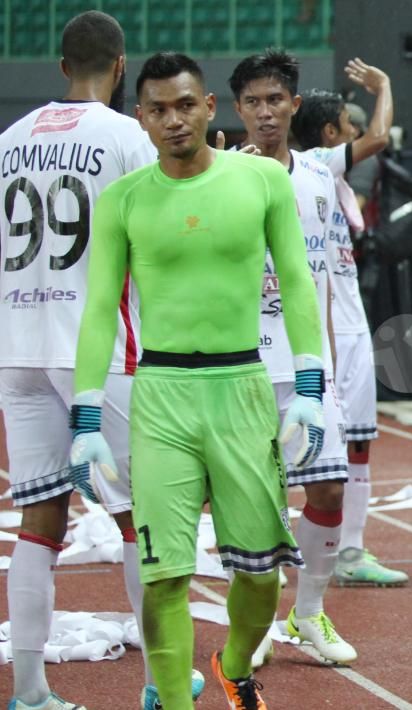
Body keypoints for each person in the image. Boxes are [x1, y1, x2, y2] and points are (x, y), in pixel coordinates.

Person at [70, 51, 326, 710]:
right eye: (158, 109)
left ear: (209, 107)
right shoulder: (123, 200)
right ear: (142, 120)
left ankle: (234, 665)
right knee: (163, 576)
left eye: (185, 105)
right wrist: (87, 418)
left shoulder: (263, 181)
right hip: (161, 397)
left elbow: (297, 280)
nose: (174, 119)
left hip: (242, 386)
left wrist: (310, 387)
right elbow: (100, 309)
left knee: (261, 575)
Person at [0, 12, 207, 710]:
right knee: (139, 520)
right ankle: (162, 678)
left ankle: (29, 691)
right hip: (97, 350)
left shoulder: (7, 143)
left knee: (38, 521)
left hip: (17, 350)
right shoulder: (129, 137)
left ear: (61, 67)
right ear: (122, 68)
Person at [227, 48, 363, 668]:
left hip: (308, 365)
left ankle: (307, 613)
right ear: (235, 110)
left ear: (294, 106)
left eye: (274, 100)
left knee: (329, 490)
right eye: (252, 102)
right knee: (257, 504)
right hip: (245, 365)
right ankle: (253, 625)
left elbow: (327, 275)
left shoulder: (316, 178)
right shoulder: (221, 173)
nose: (264, 112)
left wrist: (329, 361)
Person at [291, 58, 406, 589]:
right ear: (329, 134)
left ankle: (351, 550)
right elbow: (380, 136)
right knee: (296, 444)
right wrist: (383, 86)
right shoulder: (313, 161)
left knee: (358, 441)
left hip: (349, 316)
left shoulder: (326, 177)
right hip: (315, 326)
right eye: (346, 124)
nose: (357, 132)